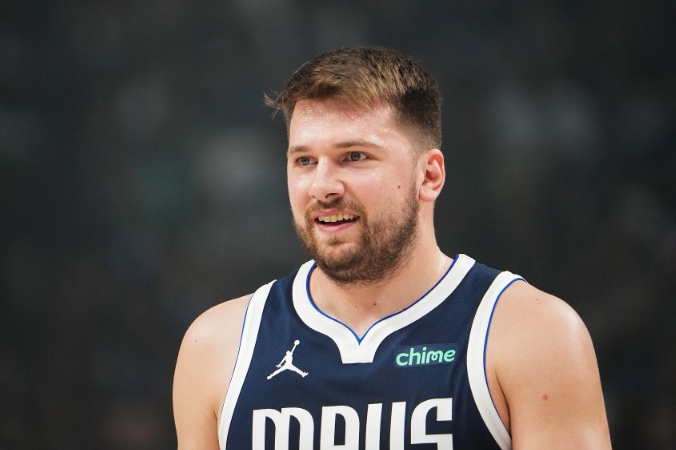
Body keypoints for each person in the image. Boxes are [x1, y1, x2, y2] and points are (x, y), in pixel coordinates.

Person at [173, 47, 612, 450]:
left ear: (429, 176)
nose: (322, 186)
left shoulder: (532, 335)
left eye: (354, 156)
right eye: (305, 160)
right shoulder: (217, 345)